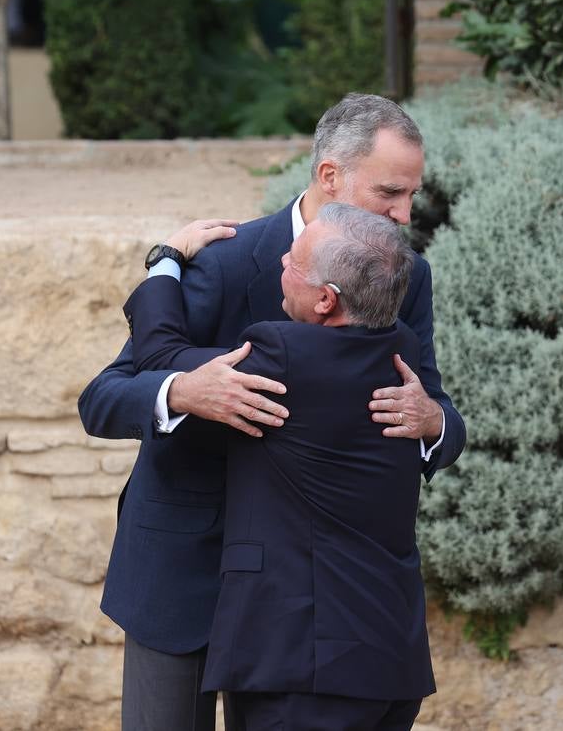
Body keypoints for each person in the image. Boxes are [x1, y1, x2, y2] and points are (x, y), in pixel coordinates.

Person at [78, 93, 466, 730]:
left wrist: (434, 423)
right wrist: (180, 392)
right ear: (330, 177)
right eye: (390, 192)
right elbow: (103, 396)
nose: (403, 214)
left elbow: (435, 407)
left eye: (410, 196)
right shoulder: (226, 259)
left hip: (308, 605)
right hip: (184, 568)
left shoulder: (405, 274)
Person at [127, 202, 434, 729]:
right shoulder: (398, 351)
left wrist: (166, 262)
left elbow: (156, 358)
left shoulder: (281, 356)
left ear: (325, 300)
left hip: (304, 665)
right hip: (389, 657)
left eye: (294, 264)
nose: (281, 263)